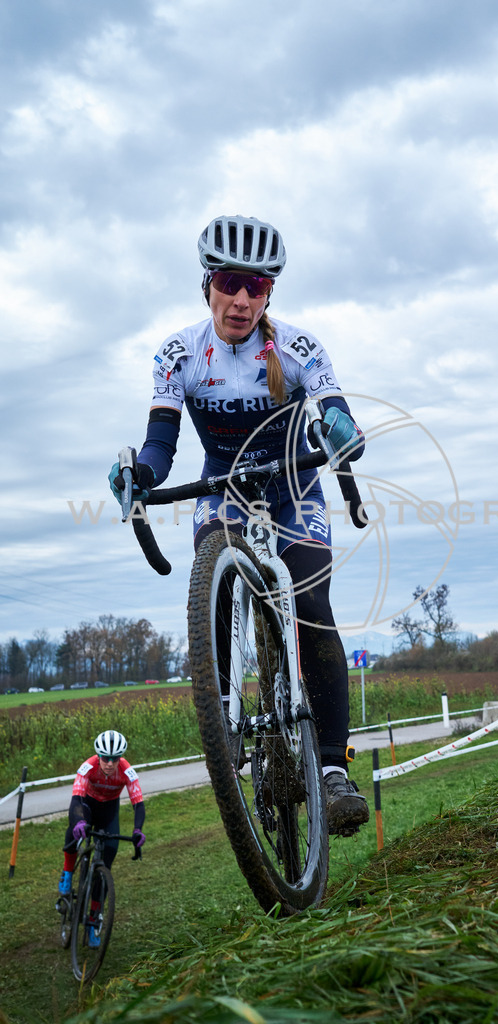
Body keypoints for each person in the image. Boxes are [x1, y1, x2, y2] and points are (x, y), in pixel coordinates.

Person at [109, 214, 369, 835]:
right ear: (209, 285)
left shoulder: (300, 348)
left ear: (270, 293)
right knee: (215, 585)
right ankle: (224, 729)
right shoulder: (179, 355)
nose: (243, 299)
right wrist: (141, 475)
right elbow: (161, 444)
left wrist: (340, 430)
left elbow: (337, 412)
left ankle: (332, 769)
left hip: (293, 488)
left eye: (257, 286)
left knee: (312, 606)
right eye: (231, 282)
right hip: (223, 488)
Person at [57, 730, 146, 947]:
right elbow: (76, 799)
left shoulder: (127, 771)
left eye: (114, 758)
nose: (109, 763)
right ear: (98, 756)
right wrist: (79, 821)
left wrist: (137, 830)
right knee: (73, 832)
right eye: (105, 758)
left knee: (108, 857)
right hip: (86, 806)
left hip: (108, 812)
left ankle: (93, 919)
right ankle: (67, 873)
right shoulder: (87, 767)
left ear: (120, 757)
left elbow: (139, 804)